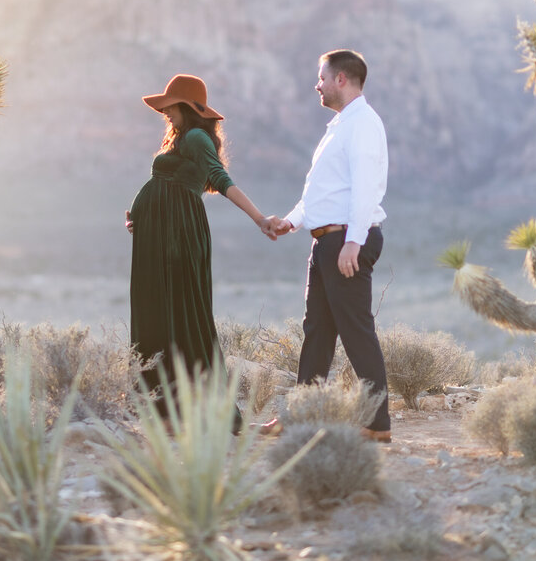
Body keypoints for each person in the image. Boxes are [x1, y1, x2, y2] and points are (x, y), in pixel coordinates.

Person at [126, 74, 275, 433]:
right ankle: (163, 414)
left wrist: (260, 219)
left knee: (187, 320)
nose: (166, 113)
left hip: (177, 236)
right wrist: (141, 214)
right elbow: (165, 184)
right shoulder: (178, 138)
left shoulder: (194, 137)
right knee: (156, 316)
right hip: (158, 236)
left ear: (188, 108)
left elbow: (220, 179)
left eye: (171, 106)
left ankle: (223, 419)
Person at [259, 49, 394, 442]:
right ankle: (301, 416)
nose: (316, 85)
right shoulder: (338, 126)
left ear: (341, 79)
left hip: (345, 241)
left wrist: (354, 241)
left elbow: (366, 187)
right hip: (326, 242)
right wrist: (292, 221)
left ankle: (377, 424)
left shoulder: (364, 124)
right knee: (317, 331)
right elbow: (322, 192)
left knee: (356, 331)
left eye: (321, 77)